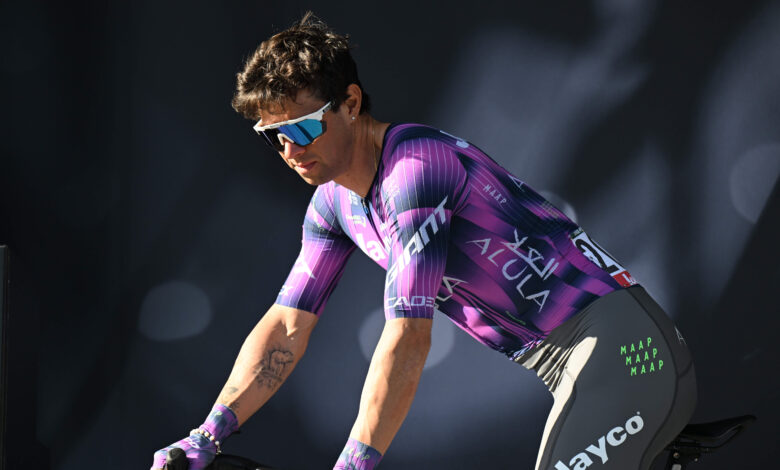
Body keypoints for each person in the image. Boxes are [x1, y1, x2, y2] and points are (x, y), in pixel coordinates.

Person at [151, 12, 697, 470]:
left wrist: (354, 464)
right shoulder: (333, 206)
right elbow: (288, 326)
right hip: (574, 366)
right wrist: (207, 434)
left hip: (625, 352)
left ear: (351, 103)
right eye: (274, 136)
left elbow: (408, 336)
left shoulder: (415, 170)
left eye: (304, 127)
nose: (291, 151)